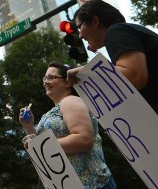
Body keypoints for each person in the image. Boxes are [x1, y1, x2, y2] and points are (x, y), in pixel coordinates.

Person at [66, 0, 158, 185]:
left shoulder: (116, 32)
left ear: (95, 21)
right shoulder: (128, 33)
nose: (79, 35)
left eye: (79, 27)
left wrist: (85, 72)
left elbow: (135, 75)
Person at [19, 61, 115, 189]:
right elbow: (39, 151)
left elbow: (84, 139)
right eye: (45, 78)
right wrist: (29, 127)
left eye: (52, 77)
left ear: (67, 82)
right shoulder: (52, 111)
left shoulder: (70, 101)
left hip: (91, 184)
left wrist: (42, 145)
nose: (46, 82)